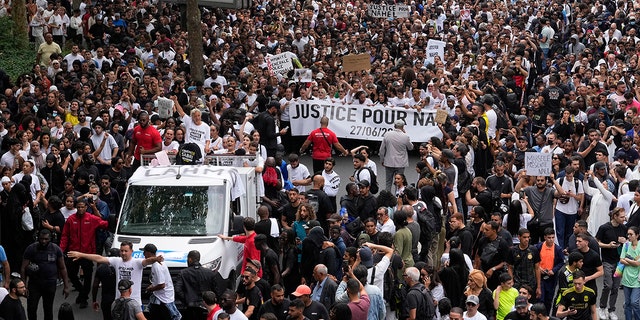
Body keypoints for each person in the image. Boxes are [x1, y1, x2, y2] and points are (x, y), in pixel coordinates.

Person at [67, 241, 163, 306]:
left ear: (131, 251)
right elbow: (99, 258)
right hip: (119, 301)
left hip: (134, 303)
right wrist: (81, 255)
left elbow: (147, 261)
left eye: (126, 251)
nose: (123, 253)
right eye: (121, 251)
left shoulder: (137, 262)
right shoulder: (116, 261)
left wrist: (155, 259)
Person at [60, 198, 109, 308]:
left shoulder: (91, 218)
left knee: (87, 277)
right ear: (76, 208)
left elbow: (105, 224)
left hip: (87, 253)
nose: (80, 209)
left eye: (83, 207)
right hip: (73, 252)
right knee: (71, 274)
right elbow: (65, 236)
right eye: (79, 207)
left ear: (86, 207)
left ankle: (83, 298)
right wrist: (61, 250)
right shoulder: (71, 220)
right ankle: (82, 292)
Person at [21, 228, 70, 320]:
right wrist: (24, 286)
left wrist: (66, 286)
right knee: (31, 308)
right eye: (41, 239)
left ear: (50, 239)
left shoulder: (56, 249)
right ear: (38, 238)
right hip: (35, 284)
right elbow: (23, 268)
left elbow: (62, 268)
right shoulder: (31, 248)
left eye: (46, 239)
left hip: (50, 284)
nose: (43, 241)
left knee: (48, 309)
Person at [176, 250, 227, 320]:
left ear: (190, 259)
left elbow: (177, 290)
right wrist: (212, 302)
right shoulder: (209, 273)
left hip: (190, 307)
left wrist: (186, 299)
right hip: (206, 307)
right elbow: (216, 290)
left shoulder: (183, 273)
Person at [595, 207, 627, 320]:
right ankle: (602, 307)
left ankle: (612, 310)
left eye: (624, 216)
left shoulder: (623, 228)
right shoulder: (604, 228)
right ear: (615, 216)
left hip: (619, 262)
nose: (624, 219)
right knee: (608, 285)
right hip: (607, 261)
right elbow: (596, 242)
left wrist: (625, 242)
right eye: (622, 217)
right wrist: (608, 245)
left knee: (615, 287)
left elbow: (629, 243)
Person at [143, 243, 181, 320]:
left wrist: (151, 289)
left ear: (149, 253)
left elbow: (162, 285)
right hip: (159, 296)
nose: (144, 254)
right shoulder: (156, 263)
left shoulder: (157, 266)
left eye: (144, 252)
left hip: (163, 298)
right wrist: (152, 285)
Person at [379, 120, 414, 192]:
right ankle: (397, 197)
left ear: (394, 126)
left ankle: (387, 197)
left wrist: (382, 160)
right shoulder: (405, 136)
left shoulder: (387, 134)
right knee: (399, 182)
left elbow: (382, 149)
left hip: (389, 162)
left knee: (388, 182)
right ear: (403, 127)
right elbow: (411, 147)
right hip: (400, 163)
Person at [507, 228, 541, 298]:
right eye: (524, 237)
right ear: (519, 237)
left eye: (528, 237)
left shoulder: (533, 250)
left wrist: (538, 286)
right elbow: (510, 267)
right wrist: (511, 281)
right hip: (517, 283)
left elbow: (537, 268)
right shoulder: (513, 250)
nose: (527, 239)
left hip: (531, 283)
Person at [620, 226, 640, 320]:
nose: (629, 236)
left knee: (634, 302)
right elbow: (621, 260)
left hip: (637, 279)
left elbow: (637, 264)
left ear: (637, 235)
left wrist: (627, 259)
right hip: (626, 278)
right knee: (627, 303)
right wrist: (632, 262)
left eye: (631, 234)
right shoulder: (626, 245)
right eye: (628, 234)